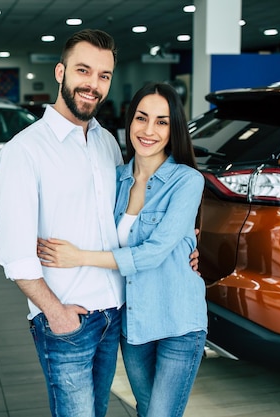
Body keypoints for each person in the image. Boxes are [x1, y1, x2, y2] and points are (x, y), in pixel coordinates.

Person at [0, 30, 199, 417]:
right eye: (83, 71)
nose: (93, 84)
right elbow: (14, 256)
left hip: (118, 316)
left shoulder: (108, 143)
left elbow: (135, 224)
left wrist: (184, 248)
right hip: (68, 321)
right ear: (60, 72)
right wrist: (55, 313)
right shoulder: (24, 151)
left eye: (103, 75)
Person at [37, 82, 207, 417]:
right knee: (146, 410)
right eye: (142, 118)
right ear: (129, 122)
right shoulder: (114, 179)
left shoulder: (187, 180)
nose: (148, 130)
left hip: (178, 321)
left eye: (161, 121)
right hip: (135, 323)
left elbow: (154, 252)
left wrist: (79, 257)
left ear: (173, 129)